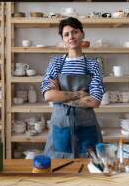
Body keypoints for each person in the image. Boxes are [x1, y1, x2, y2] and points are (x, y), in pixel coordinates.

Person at [41, 17, 104, 159]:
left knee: (90, 169)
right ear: (63, 39)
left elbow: (95, 101)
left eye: (75, 32)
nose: (71, 37)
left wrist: (60, 97)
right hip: (61, 127)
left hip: (86, 127)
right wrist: (80, 94)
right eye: (66, 34)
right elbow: (48, 96)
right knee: (59, 169)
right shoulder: (55, 63)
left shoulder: (93, 65)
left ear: (82, 34)